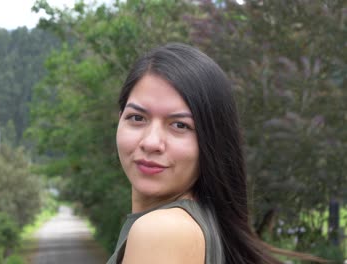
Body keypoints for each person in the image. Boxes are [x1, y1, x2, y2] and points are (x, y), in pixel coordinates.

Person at [107, 43, 325, 264]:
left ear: (212, 139)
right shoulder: (200, 225)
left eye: (180, 125)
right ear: (120, 118)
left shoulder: (162, 231)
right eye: (137, 118)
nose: (151, 142)